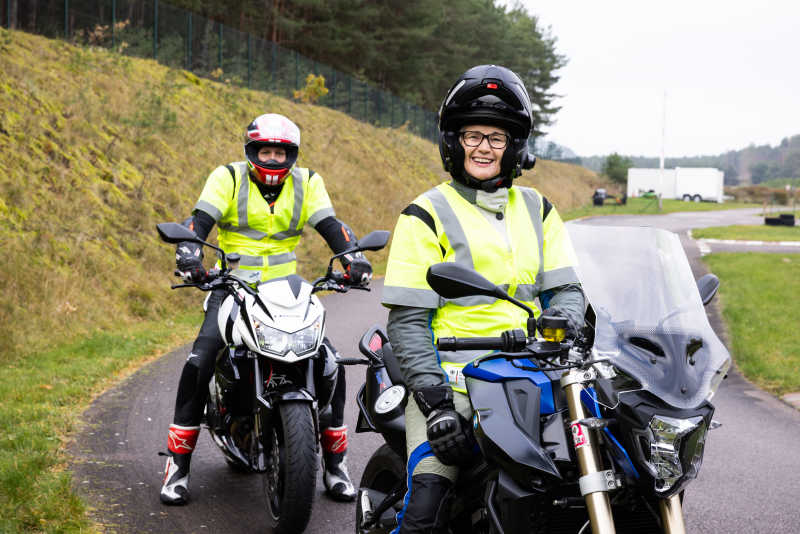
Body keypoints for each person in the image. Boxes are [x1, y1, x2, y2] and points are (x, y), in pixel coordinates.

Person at [380, 65, 586, 533]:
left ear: (516, 147)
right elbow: (409, 322)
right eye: (473, 135)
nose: (484, 148)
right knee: (426, 505)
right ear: (454, 142)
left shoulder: (538, 208)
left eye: (497, 137)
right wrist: (436, 406)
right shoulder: (425, 213)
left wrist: (565, 321)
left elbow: (566, 290)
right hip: (454, 384)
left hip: (535, 375)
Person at [160, 113, 371, 505]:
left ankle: (336, 465)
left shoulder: (308, 181)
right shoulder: (229, 177)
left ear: (291, 155)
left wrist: (353, 259)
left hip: (287, 291)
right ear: (251, 150)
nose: (273, 159)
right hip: (231, 287)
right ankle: (177, 466)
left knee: (329, 362)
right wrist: (189, 252)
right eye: (265, 150)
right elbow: (199, 221)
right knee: (200, 359)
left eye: (280, 152)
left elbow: (331, 226)